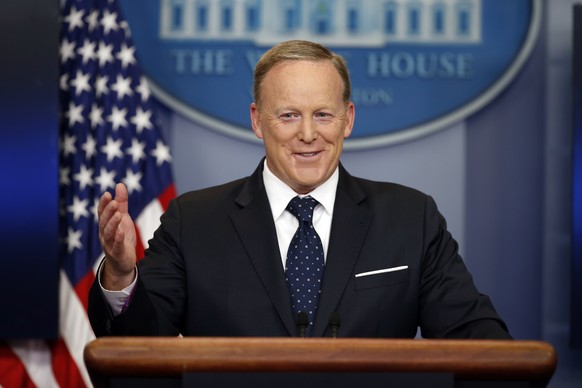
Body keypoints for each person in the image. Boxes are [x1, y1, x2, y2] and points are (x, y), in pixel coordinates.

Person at [89, 40, 511, 339]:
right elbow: (141, 345)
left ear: (348, 120)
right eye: (289, 115)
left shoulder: (411, 218)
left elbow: (475, 339)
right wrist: (123, 275)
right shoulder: (193, 221)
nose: (308, 134)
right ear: (257, 121)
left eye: (323, 114)